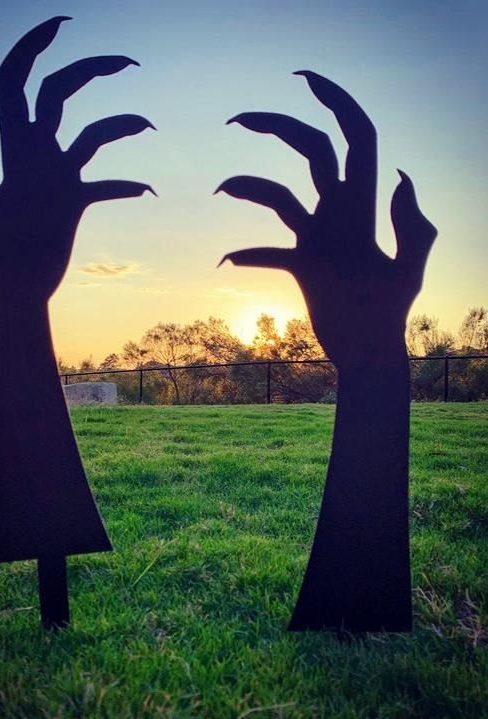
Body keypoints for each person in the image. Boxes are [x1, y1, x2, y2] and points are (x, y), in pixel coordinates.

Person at [0, 16, 156, 628]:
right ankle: (50, 551)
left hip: (13, 290)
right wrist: (15, 277)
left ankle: (51, 548)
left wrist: (18, 278)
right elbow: (18, 90)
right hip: (11, 289)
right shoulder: (11, 231)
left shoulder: (16, 226)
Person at [217, 71, 436, 631]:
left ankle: (357, 601)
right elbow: (353, 140)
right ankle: (359, 601)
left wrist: (372, 343)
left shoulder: (366, 273)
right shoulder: (363, 269)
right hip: (373, 358)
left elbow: (353, 140)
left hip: (374, 356)